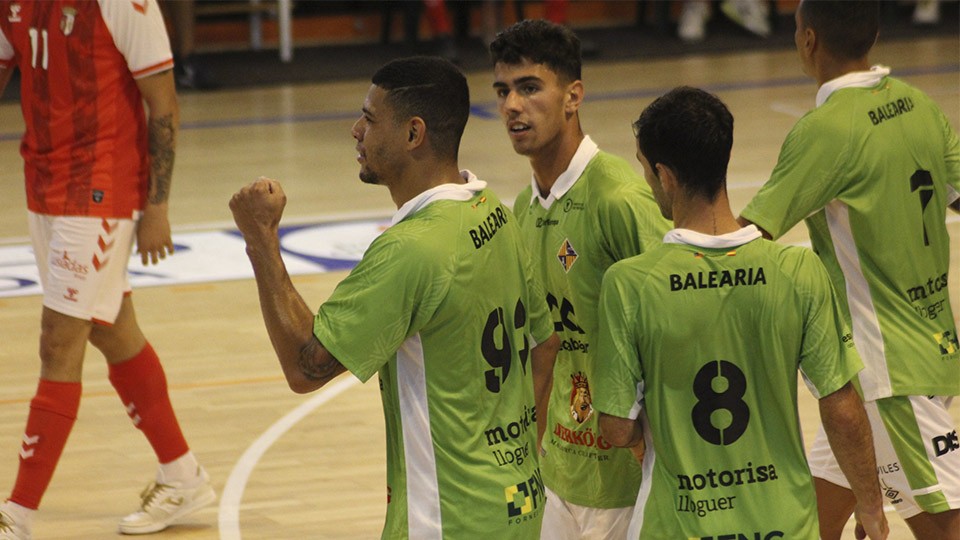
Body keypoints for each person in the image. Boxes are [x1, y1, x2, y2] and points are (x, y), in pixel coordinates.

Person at [229, 55, 560, 539]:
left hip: (447, 521)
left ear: (413, 134)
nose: (355, 131)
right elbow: (544, 344)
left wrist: (261, 239)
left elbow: (306, 366)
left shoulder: (411, 250)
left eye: (368, 118)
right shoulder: (496, 213)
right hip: (518, 503)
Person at [593, 86, 888, 539]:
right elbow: (842, 406)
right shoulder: (798, 270)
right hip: (784, 526)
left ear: (665, 175)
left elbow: (614, 428)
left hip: (679, 527)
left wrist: (642, 437)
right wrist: (870, 503)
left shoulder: (630, 283)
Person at [737, 1, 960, 538]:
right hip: (927, 347)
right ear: (875, 33)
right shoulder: (919, 104)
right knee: (813, 520)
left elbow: (749, 238)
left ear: (808, 40)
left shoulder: (825, 131)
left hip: (886, 369)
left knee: (947, 525)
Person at [0, 1, 215, 539]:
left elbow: (162, 102)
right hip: (41, 180)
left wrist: (157, 207)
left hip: (100, 185)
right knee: (111, 328)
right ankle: (182, 475)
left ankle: (17, 515)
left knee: (59, 340)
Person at [489, 19, 670, 539]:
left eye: (529, 88)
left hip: (627, 476)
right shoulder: (524, 207)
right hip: (556, 472)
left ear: (573, 96)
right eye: (503, 91)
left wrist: (646, 437)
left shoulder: (619, 199)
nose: (512, 106)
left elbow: (681, 316)